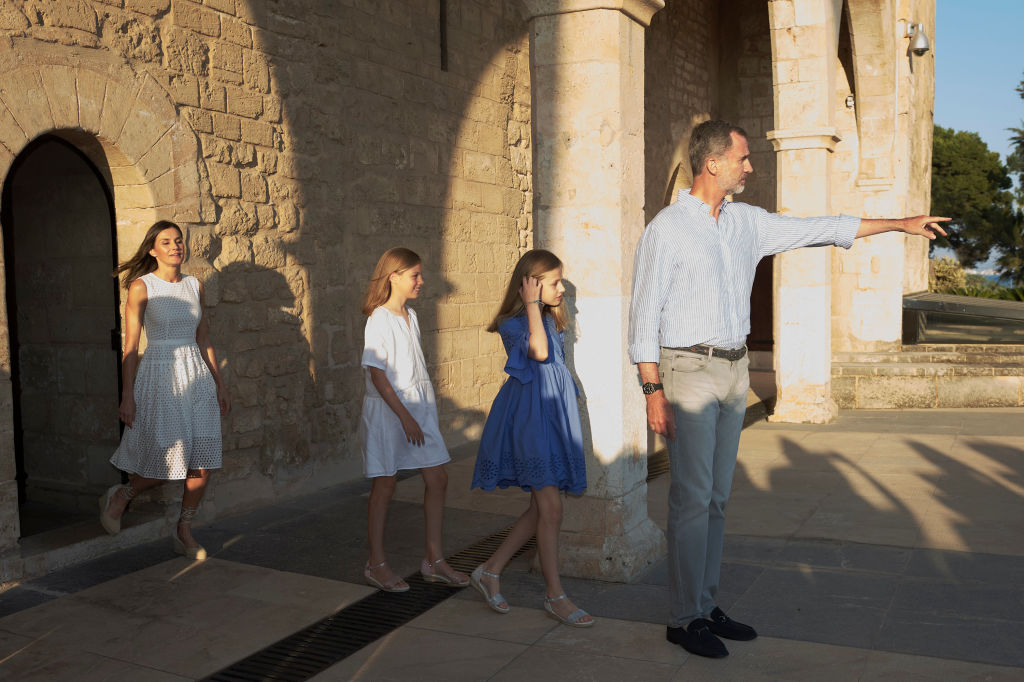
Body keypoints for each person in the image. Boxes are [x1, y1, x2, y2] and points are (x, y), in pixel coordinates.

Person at [628, 120, 949, 658]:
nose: (749, 167)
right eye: (742, 158)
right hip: (688, 370)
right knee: (691, 498)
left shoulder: (746, 222)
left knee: (717, 498)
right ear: (713, 164)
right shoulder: (666, 229)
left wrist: (901, 224)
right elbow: (643, 315)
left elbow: (817, 227)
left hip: (734, 370)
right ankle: (683, 619)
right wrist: (651, 389)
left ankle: (705, 603)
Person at [470, 249, 594, 628]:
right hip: (529, 420)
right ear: (531, 285)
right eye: (554, 282)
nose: (562, 289)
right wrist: (531, 306)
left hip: (551, 418)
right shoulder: (513, 324)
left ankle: (490, 571)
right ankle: (555, 596)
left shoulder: (550, 320)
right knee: (551, 508)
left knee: (541, 508)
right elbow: (539, 354)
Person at [100, 220, 231, 561]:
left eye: (178, 240)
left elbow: (203, 338)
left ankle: (183, 530)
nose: (175, 246)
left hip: (197, 378)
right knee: (165, 460)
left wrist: (219, 384)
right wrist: (127, 395)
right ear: (152, 250)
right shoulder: (142, 287)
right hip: (160, 377)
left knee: (202, 461)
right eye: (166, 242)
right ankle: (123, 495)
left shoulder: (194, 285)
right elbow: (131, 347)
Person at [359, 247, 469, 592]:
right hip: (388, 412)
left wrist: (416, 413)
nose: (421, 281)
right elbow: (377, 374)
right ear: (394, 277)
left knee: (438, 478)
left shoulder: (412, 315)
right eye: (415, 275)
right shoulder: (379, 318)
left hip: (418, 409)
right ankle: (376, 564)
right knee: (385, 483)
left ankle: (434, 560)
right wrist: (405, 417)